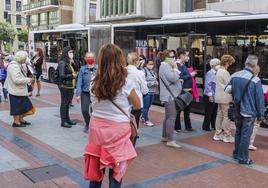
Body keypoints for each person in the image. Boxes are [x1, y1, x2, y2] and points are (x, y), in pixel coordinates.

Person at [84, 44, 140, 188]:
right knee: (116, 172)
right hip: (118, 130)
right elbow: (138, 104)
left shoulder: (93, 82)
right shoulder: (125, 82)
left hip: (96, 129)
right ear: (119, 59)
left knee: (96, 172)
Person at [225, 55, 265, 165]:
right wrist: (260, 116)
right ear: (255, 65)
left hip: (237, 109)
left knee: (238, 132)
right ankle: (243, 158)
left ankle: (236, 153)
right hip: (249, 112)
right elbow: (259, 100)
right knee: (246, 135)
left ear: (245, 63)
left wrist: (236, 90)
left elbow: (227, 89)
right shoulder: (255, 80)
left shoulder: (234, 75)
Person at [4, 51, 34, 127]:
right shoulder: (14, 66)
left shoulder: (18, 64)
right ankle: (16, 122)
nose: (25, 60)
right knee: (17, 107)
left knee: (23, 106)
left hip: (18, 90)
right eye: (25, 58)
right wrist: (28, 80)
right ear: (21, 58)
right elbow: (16, 80)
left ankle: (20, 120)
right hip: (15, 90)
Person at [159, 49, 182, 148]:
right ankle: (170, 140)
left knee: (168, 117)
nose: (173, 59)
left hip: (169, 95)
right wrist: (176, 69)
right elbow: (172, 78)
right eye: (171, 57)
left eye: (174, 57)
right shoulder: (165, 66)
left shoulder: (165, 66)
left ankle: (165, 136)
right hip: (170, 96)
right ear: (166, 58)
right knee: (171, 118)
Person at [214, 55, 235, 143]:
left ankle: (218, 134)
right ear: (227, 62)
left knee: (219, 115)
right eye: (230, 63)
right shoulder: (225, 72)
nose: (230, 65)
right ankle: (227, 135)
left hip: (218, 96)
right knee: (226, 116)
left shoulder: (218, 71)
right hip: (225, 97)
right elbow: (229, 85)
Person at [175, 48, 196, 132]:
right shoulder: (177, 65)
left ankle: (188, 126)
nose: (187, 57)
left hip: (188, 91)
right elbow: (179, 78)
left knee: (187, 110)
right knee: (179, 109)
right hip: (182, 91)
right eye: (186, 55)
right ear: (181, 55)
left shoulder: (183, 65)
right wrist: (190, 75)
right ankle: (177, 127)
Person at [76, 52, 97, 133]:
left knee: (94, 111)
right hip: (85, 93)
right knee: (84, 110)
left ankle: (94, 126)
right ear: (85, 58)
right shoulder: (82, 69)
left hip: (96, 93)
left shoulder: (98, 68)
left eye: (91, 57)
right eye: (88, 57)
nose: (90, 59)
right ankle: (88, 123)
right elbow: (79, 82)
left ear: (94, 59)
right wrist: (78, 94)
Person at [127, 52, 149, 129]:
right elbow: (145, 90)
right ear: (137, 61)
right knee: (134, 127)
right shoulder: (139, 73)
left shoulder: (122, 71)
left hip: (124, 103)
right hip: (136, 103)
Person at [58, 46, 77, 128]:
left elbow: (76, 69)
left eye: (72, 52)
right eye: (69, 52)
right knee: (64, 103)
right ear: (66, 53)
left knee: (68, 103)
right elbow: (62, 75)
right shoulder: (62, 63)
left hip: (70, 86)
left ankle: (68, 119)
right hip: (65, 86)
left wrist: (73, 62)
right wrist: (72, 76)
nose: (71, 54)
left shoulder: (69, 62)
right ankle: (63, 121)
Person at [202, 58, 221, 131]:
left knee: (214, 111)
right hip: (209, 95)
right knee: (209, 112)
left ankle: (214, 125)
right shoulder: (210, 73)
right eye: (218, 64)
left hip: (215, 95)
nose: (219, 66)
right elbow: (208, 84)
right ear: (213, 65)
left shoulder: (217, 73)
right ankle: (206, 126)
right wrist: (210, 95)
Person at [142, 59, 158, 127]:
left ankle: (143, 117)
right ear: (146, 64)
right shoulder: (144, 71)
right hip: (147, 92)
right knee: (145, 107)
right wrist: (151, 83)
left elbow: (155, 79)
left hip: (152, 92)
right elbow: (143, 82)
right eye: (149, 64)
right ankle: (146, 120)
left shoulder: (152, 71)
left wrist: (156, 82)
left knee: (148, 106)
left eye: (152, 64)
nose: (151, 66)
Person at [248, 65, 261, 151]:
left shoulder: (244, 78)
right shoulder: (257, 80)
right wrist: (260, 113)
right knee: (256, 124)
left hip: (244, 106)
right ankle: (250, 143)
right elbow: (259, 98)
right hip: (253, 107)